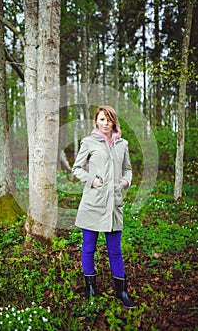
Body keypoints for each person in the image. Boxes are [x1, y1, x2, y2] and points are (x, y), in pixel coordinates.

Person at [72, 105, 136, 308]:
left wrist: (125, 182)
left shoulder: (122, 144)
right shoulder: (89, 142)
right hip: (93, 202)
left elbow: (127, 169)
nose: (105, 123)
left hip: (114, 204)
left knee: (115, 250)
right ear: (96, 122)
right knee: (89, 248)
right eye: (101, 119)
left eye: (108, 120)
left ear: (113, 122)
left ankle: (122, 291)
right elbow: (77, 168)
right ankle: (90, 287)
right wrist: (92, 180)